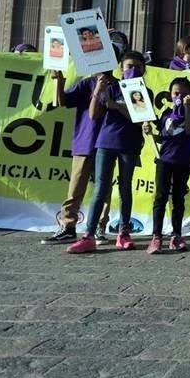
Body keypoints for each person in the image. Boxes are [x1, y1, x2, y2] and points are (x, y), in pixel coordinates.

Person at [67, 51, 149, 253]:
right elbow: (94, 114)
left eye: (138, 67)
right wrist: (99, 91)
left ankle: (123, 232)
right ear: (121, 68)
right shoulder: (112, 88)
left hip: (129, 144)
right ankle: (89, 235)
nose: (133, 70)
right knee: (100, 189)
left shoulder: (141, 92)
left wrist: (116, 106)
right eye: (129, 66)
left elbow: (138, 117)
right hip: (105, 142)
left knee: (125, 189)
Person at [42, 68, 110, 244]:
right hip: (85, 141)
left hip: (107, 143)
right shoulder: (87, 83)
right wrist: (59, 81)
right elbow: (62, 102)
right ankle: (68, 226)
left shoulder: (117, 85)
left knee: (103, 188)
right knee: (76, 187)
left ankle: (100, 227)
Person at [144, 77, 190, 254]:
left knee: (178, 198)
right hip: (164, 160)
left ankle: (176, 235)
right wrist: (151, 134)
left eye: (184, 94)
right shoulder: (166, 114)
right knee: (160, 197)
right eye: (176, 93)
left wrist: (187, 108)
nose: (180, 97)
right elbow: (165, 137)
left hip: (183, 161)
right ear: (170, 95)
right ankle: (156, 236)